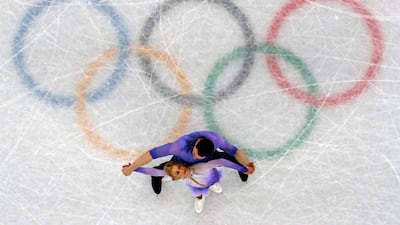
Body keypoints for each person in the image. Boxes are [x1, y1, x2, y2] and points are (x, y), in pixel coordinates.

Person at [121, 130, 255, 194]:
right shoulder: (178, 147)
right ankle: (156, 178)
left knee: (226, 157)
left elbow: (235, 152)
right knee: (168, 169)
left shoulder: (216, 140)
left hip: (211, 157)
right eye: (197, 155)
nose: (197, 159)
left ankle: (240, 167)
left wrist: (246, 165)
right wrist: (132, 168)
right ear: (195, 145)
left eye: (201, 158)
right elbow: (150, 154)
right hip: (181, 162)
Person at [124, 158, 250, 213]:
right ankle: (201, 197)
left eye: (179, 167)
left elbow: (220, 161)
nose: (181, 170)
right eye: (177, 173)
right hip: (196, 186)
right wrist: (133, 169)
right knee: (199, 193)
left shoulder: (202, 166)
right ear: (175, 178)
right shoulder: (180, 177)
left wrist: (240, 167)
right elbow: (153, 172)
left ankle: (212, 185)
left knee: (212, 182)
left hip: (210, 177)